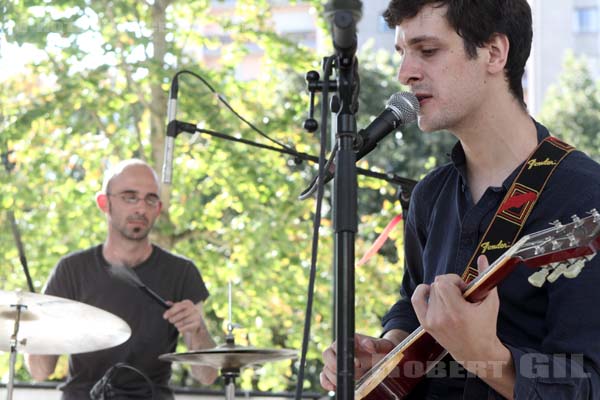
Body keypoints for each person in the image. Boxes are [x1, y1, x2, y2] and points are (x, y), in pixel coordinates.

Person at [320, 0, 600, 399]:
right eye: (402, 53)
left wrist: (486, 355)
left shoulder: (585, 197)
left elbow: (589, 382)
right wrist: (389, 349)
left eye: (428, 51)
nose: (405, 74)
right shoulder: (429, 195)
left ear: (494, 53)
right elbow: (412, 297)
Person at [25, 159, 218, 399]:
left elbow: (207, 376)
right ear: (104, 203)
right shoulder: (71, 270)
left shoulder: (181, 272)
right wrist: (41, 326)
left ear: (158, 209)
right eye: (129, 196)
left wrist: (198, 329)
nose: (141, 208)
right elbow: (40, 371)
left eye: (150, 199)